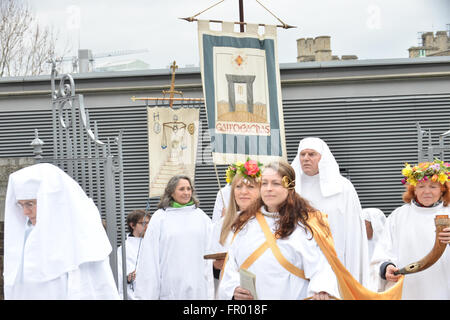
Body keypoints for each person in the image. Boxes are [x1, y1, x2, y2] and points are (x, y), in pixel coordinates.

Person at [218, 160, 340, 300]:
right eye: (264, 183)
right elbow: (232, 265)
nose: (268, 188)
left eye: (276, 183)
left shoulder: (304, 226)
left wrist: (322, 290)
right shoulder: (246, 224)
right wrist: (234, 289)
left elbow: (321, 266)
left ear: (290, 187)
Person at [3, 163, 120, 300]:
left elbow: (94, 292)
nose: (25, 212)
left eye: (30, 204)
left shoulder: (82, 241)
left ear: (53, 200)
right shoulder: (25, 239)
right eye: (21, 205)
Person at [291, 137, 370, 286]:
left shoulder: (343, 187)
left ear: (322, 158)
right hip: (299, 263)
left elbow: (353, 232)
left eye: (311, 154)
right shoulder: (290, 189)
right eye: (302, 154)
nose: (306, 159)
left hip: (335, 260)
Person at [370, 159, 450, 299]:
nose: (426, 192)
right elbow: (383, 251)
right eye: (421, 186)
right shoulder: (398, 215)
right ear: (413, 189)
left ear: (443, 189)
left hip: (443, 284)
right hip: (407, 286)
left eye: (433, 187)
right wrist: (386, 267)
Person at [134, 175, 214, 299]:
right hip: (170, 284)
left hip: (197, 283)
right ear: (171, 192)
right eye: (181, 189)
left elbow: (212, 248)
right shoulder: (160, 217)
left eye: (189, 189)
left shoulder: (201, 216)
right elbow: (150, 256)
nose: (186, 193)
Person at [208, 159, 262, 297]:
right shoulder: (220, 226)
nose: (243, 192)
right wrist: (215, 267)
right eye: (238, 187)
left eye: (250, 187)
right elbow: (207, 272)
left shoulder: (272, 223)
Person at [117, 209, 150, 300]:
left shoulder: (155, 244)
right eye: (143, 223)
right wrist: (128, 278)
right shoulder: (123, 250)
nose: (147, 226)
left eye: (149, 223)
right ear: (132, 225)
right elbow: (118, 278)